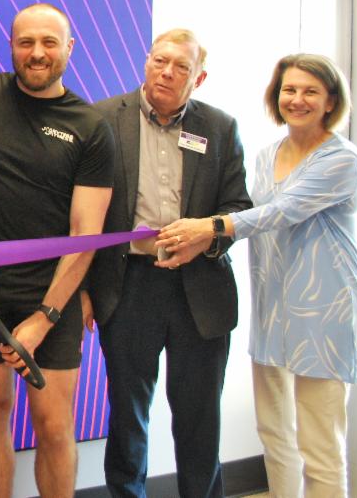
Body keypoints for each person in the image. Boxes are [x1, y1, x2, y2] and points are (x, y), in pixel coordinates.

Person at [0, 3, 114, 498]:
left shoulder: (90, 126)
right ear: (11, 45)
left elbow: (86, 233)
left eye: (49, 43)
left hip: (52, 293)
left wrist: (45, 318)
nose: (37, 53)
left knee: (53, 425)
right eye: (26, 42)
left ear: (69, 48)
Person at [159, 53, 357, 498]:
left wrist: (208, 227)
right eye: (289, 89)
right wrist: (200, 240)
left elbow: (280, 213)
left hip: (324, 315)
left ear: (331, 101)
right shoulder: (269, 153)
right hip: (272, 309)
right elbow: (251, 219)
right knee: (275, 434)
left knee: (320, 445)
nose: (297, 99)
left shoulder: (342, 159)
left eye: (311, 91)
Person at [85, 29, 251, 498]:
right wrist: (82, 290)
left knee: (199, 419)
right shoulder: (101, 119)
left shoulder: (219, 127)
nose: (167, 73)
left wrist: (205, 239)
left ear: (198, 78)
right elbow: (80, 213)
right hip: (128, 285)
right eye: (160, 61)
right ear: (146, 62)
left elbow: (239, 208)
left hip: (200, 288)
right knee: (127, 415)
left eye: (181, 66)